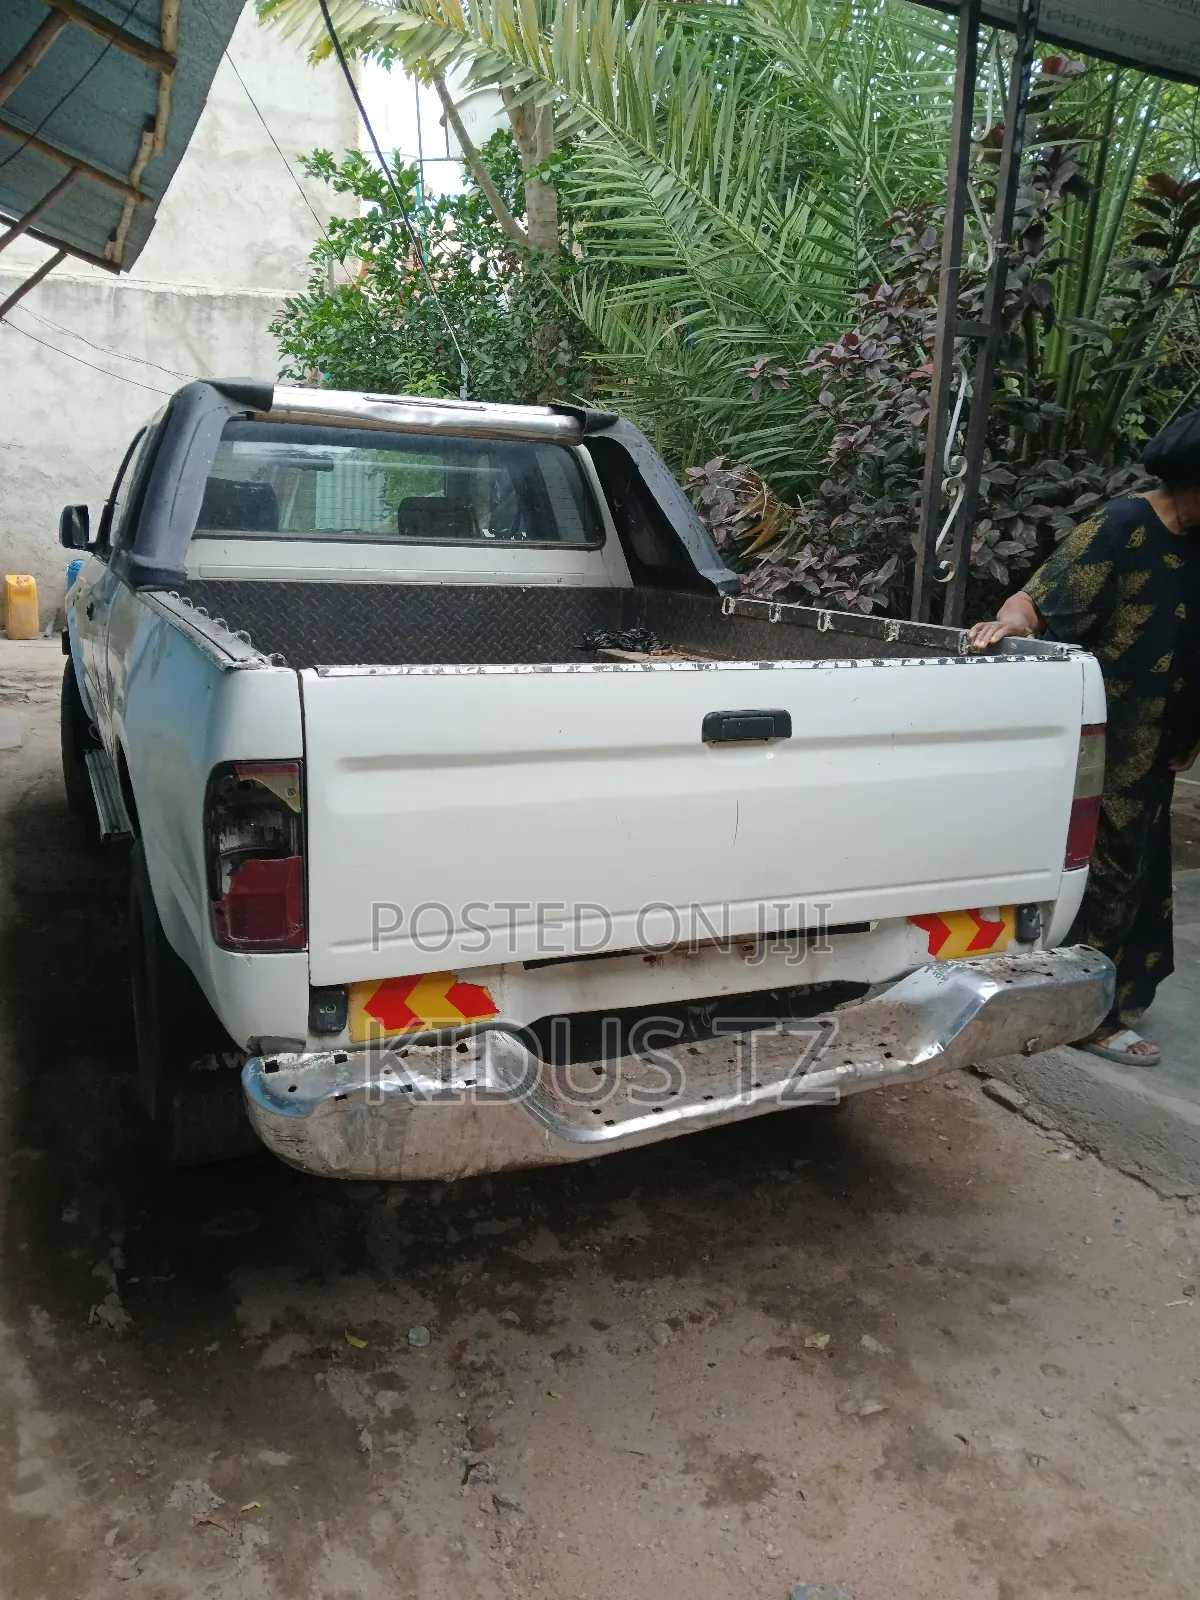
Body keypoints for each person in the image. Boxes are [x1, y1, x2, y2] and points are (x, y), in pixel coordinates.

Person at [967, 411, 1200, 1066]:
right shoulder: (1126, 527)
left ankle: (1114, 995)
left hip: (1159, 746)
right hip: (1104, 744)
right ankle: (1091, 1016)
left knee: (1141, 872)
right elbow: (1035, 599)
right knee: (1106, 873)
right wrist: (1007, 626)